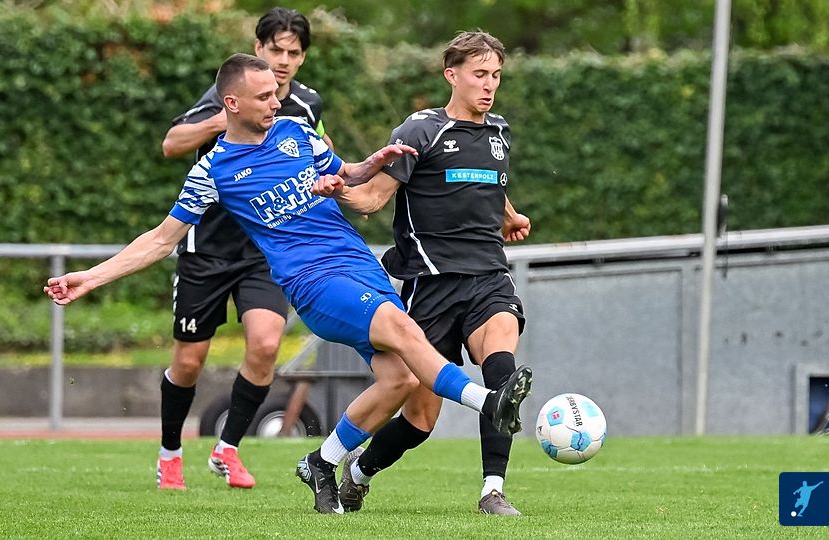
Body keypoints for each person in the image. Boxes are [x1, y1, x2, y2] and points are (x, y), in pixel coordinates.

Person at [44, 53, 531, 515]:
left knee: (401, 379)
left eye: (276, 94)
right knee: (402, 329)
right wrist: (90, 277)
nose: (276, 102)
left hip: (359, 265)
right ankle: (489, 402)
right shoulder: (213, 170)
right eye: (263, 97)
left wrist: (369, 165)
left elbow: (347, 175)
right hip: (313, 280)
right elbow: (158, 240)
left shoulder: (296, 132)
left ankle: (321, 462)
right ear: (231, 103)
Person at [310, 31, 532, 515]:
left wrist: (509, 215)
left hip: (489, 277)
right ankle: (360, 472)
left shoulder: (499, 133)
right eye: (479, 74)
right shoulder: (420, 131)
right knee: (420, 421)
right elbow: (372, 199)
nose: (489, 85)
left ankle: (492, 490)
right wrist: (337, 191)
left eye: (496, 75)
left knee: (502, 375)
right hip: (430, 286)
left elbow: (489, 185)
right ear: (451, 75)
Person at [157, 7, 331, 491]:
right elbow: (172, 143)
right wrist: (221, 121)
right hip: (207, 249)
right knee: (188, 362)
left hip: (264, 248)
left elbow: (322, 152)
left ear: (303, 58)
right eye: (276, 49)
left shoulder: (307, 105)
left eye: (293, 52)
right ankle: (170, 453)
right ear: (258, 48)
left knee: (267, 344)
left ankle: (227, 448)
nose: (284, 60)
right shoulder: (228, 97)